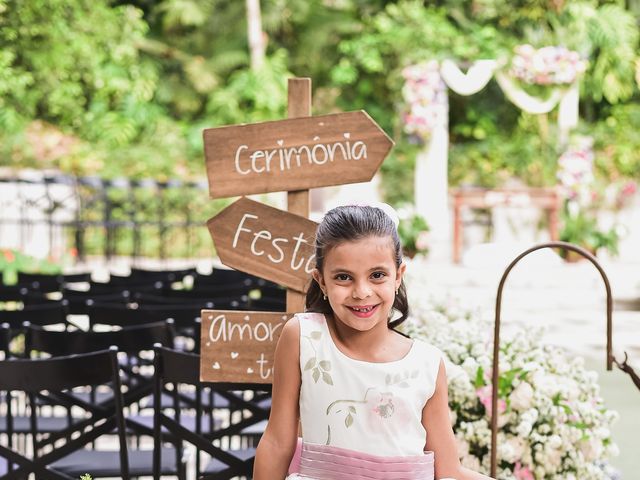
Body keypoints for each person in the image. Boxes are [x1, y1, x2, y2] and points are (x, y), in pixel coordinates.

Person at [254, 204, 494, 480]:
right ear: (321, 281)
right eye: (343, 277)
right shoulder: (303, 337)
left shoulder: (427, 364)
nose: (362, 292)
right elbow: (276, 443)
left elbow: (448, 470)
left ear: (398, 276)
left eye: (377, 275)